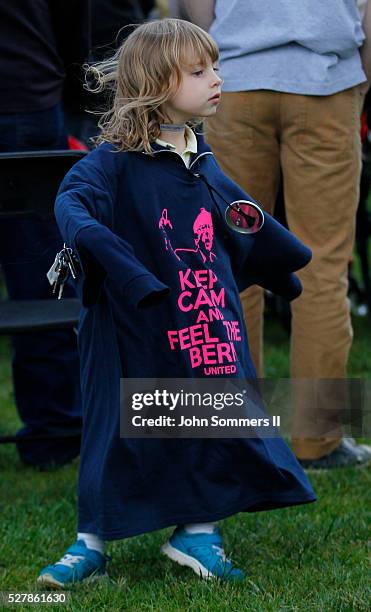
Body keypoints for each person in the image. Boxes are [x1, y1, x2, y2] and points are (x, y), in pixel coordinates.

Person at [37, 19, 316, 587]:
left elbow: (237, 212)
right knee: (117, 429)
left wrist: (279, 267)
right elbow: (73, 208)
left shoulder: (197, 154)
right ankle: (91, 542)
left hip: (203, 324)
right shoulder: (111, 163)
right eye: (199, 71)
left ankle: (198, 531)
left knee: (213, 423)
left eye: (214, 67)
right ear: (157, 83)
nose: (217, 79)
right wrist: (122, 266)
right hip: (132, 328)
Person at [185, 0, 371, 470]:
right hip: (327, 82)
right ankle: (318, 440)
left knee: (227, 263)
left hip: (236, 81)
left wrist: (217, 62)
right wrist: (361, 80)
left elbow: (196, 4)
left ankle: (234, 431)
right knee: (324, 267)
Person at [0, 0, 90, 469]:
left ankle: (56, 427)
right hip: (29, 95)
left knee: (43, 273)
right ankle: (55, 428)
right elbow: (73, 18)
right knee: (41, 272)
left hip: (29, 93)